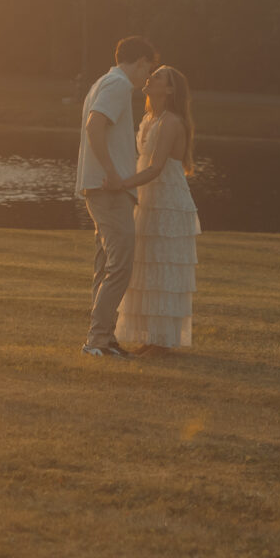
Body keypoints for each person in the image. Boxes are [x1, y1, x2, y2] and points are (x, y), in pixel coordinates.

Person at [77, 35, 157, 358]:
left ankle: (103, 339)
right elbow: (94, 127)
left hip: (100, 187)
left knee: (107, 264)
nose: (146, 77)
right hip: (108, 188)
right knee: (121, 265)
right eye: (147, 69)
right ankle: (97, 341)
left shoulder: (103, 82)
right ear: (139, 62)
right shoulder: (119, 85)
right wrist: (111, 172)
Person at [116, 65, 198, 353]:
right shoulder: (150, 118)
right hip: (148, 198)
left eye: (159, 76)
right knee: (146, 264)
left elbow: (156, 167)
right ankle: (149, 337)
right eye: (151, 74)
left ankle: (163, 340)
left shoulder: (171, 122)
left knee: (164, 265)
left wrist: (122, 185)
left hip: (167, 201)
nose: (150, 77)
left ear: (171, 90)